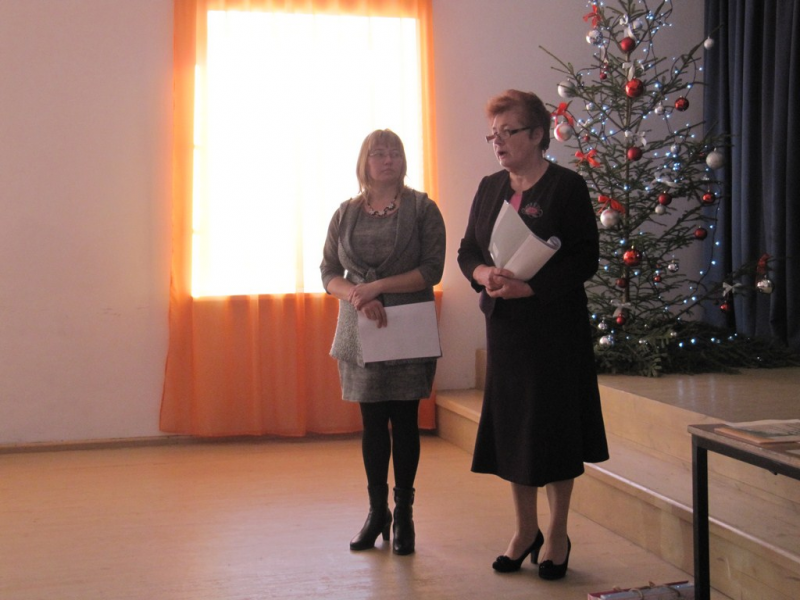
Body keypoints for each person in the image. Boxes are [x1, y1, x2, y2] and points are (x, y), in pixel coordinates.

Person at [457, 90, 609, 580]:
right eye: (493, 135)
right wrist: (484, 274)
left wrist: (532, 287)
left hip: (554, 328)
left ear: (538, 134)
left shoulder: (566, 187)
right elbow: (467, 250)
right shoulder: (489, 187)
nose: (498, 142)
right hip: (506, 328)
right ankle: (525, 530)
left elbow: (585, 258)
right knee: (516, 431)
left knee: (555, 429)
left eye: (509, 132)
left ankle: (557, 533)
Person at [321, 129, 446, 555]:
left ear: (403, 161)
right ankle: (378, 513)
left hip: (407, 327)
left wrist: (377, 287)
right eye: (378, 153)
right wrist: (357, 295)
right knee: (372, 422)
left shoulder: (422, 208)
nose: (387, 159)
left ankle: (404, 514)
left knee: (405, 420)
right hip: (360, 329)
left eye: (395, 152)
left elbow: (431, 270)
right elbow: (328, 272)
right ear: (365, 162)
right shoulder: (345, 213)